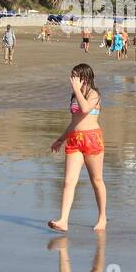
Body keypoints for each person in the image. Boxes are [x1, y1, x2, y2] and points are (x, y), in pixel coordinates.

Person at [48, 63, 106, 233]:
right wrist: (60, 139)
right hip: (74, 141)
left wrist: (78, 90)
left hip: (92, 140)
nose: (72, 79)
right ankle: (63, 220)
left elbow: (86, 108)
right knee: (68, 181)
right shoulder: (75, 96)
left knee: (96, 180)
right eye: (72, 76)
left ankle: (102, 217)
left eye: (75, 76)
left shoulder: (94, 94)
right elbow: (74, 122)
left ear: (85, 78)